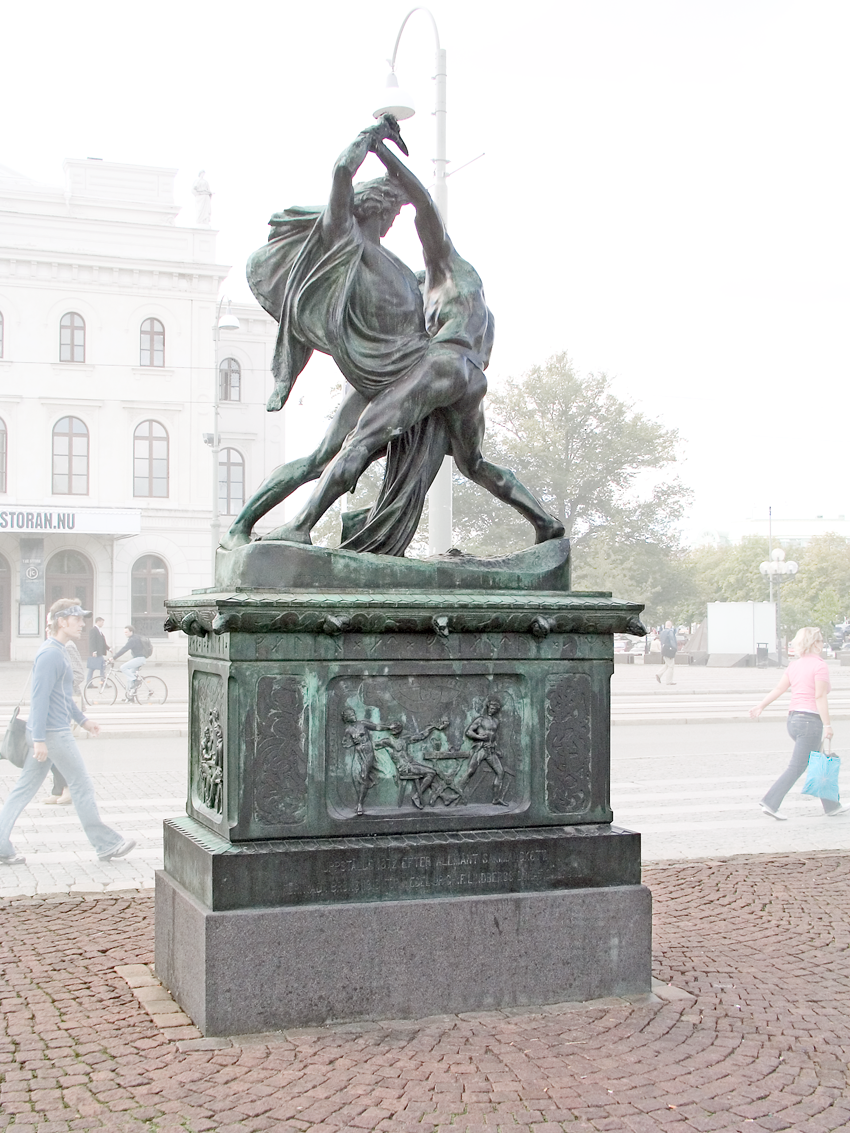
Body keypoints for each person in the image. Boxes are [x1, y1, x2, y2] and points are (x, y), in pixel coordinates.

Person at [223, 115, 562, 556]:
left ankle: (301, 525)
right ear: (374, 209)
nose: (394, 223)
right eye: (391, 213)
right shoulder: (349, 240)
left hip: (426, 367)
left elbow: (424, 209)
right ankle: (545, 522)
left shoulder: (419, 271)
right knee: (471, 462)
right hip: (443, 374)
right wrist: (373, 137)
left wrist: (384, 152)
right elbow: (343, 173)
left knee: (349, 447)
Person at [0, 599, 135, 866]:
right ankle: (106, 844)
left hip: (50, 732)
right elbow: (39, 699)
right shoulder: (51, 654)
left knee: (24, 790)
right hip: (53, 733)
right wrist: (38, 739)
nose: (82, 625)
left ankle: (1, 844)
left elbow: (61, 695)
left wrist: (82, 720)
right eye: (77, 620)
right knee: (81, 785)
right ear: (62, 622)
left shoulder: (56, 650)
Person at [750, 626, 849, 819]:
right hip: (810, 722)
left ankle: (832, 805)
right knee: (798, 766)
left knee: (817, 762)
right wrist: (828, 725)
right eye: (820, 640)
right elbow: (819, 696)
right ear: (815, 644)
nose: (822, 643)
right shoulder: (820, 666)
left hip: (793, 721)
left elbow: (779, 688)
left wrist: (761, 705)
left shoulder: (794, 665)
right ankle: (770, 802)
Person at [113, 625, 147, 699]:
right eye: (124, 632)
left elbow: (124, 649)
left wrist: (113, 658)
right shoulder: (136, 637)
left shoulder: (132, 640)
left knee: (123, 667)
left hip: (139, 659)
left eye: (126, 632)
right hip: (139, 658)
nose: (125, 634)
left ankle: (135, 680)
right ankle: (130, 696)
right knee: (129, 678)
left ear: (131, 631)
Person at [656, 620, 678, 686]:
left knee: (667, 664)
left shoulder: (662, 632)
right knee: (671, 666)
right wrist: (675, 649)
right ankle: (669, 681)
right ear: (670, 625)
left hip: (664, 650)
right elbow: (672, 642)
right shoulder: (670, 632)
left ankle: (659, 674)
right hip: (670, 650)